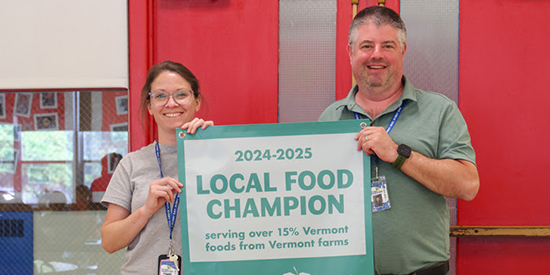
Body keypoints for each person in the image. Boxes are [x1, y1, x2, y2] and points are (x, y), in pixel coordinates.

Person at [318, 6, 479, 275]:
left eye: (388, 46)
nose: (376, 54)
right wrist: (222, 150)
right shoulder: (330, 117)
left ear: (402, 51)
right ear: (350, 52)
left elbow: (468, 185)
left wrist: (398, 154)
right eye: (367, 45)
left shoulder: (440, 111)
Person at [100, 60, 213, 274]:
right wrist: (146, 210)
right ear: (150, 106)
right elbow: (109, 241)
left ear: (196, 101)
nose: (171, 103)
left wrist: (218, 144)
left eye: (181, 94)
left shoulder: (218, 156)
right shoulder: (131, 164)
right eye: (160, 96)